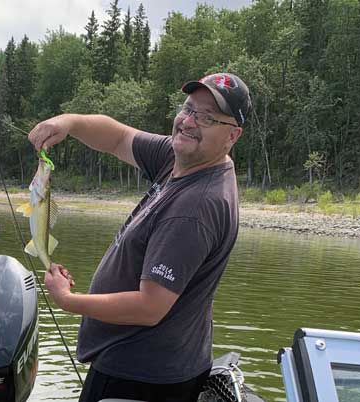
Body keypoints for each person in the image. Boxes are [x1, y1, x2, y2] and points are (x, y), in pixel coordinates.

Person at [28, 73, 252, 402]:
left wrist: (68, 301)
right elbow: (118, 138)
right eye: (188, 109)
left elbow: (150, 307)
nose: (189, 122)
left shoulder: (195, 206)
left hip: (142, 379)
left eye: (207, 118)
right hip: (149, 364)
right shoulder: (183, 159)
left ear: (232, 135)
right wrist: (69, 122)